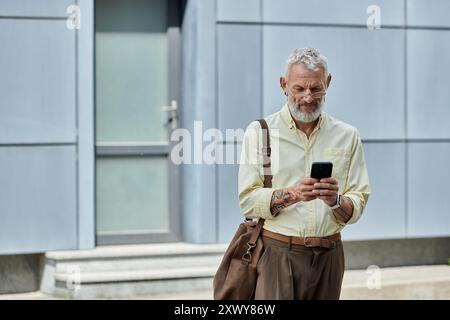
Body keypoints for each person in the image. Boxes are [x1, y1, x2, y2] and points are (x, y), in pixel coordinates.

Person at [238, 48, 371, 300]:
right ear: (284, 85)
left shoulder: (348, 135)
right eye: (299, 89)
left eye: (316, 88)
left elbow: (360, 198)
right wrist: (293, 193)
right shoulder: (260, 132)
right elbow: (247, 200)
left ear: (328, 83)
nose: (308, 97)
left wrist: (335, 201)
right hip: (277, 255)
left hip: (330, 257)